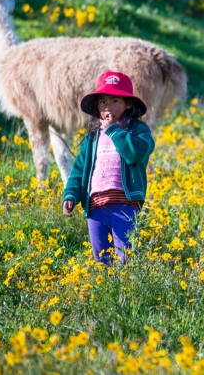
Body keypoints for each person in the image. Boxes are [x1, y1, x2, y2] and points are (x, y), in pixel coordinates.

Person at [62, 71, 155, 265]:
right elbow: (79, 170)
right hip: (96, 208)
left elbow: (135, 154)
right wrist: (71, 195)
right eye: (103, 102)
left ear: (128, 104)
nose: (108, 107)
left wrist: (113, 130)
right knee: (102, 260)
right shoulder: (93, 136)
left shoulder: (138, 131)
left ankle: (127, 293)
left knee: (125, 258)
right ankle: (110, 293)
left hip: (125, 206)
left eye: (115, 101)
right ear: (96, 107)